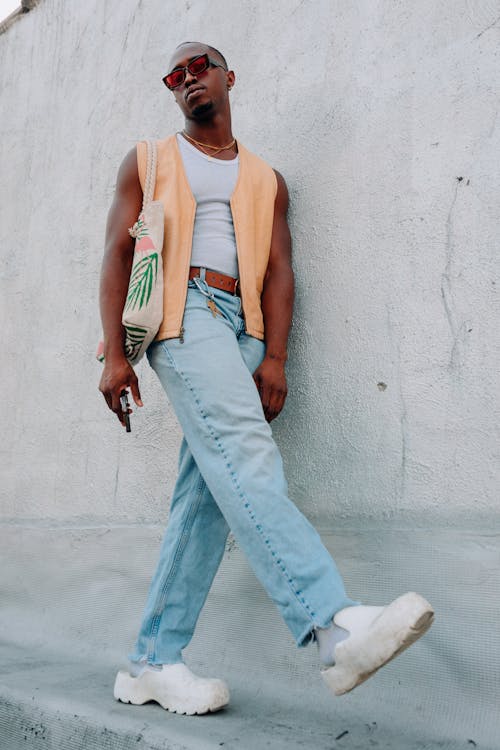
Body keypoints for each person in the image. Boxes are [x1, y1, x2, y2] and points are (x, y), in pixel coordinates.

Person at [98, 41, 434, 716]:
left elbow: (281, 270)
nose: (189, 79)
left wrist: (274, 356)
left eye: (201, 67)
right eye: (176, 75)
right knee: (247, 455)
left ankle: (152, 662)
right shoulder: (150, 159)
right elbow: (118, 251)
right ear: (172, 92)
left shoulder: (264, 176)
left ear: (228, 77)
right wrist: (114, 353)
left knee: (204, 500)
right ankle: (332, 626)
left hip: (243, 327)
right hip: (181, 313)